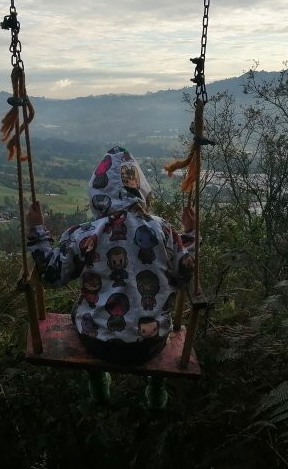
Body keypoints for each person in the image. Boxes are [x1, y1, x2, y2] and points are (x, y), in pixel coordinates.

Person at [25, 146, 196, 410]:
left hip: (98, 342)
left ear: (97, 193)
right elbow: (185, 272)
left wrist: (37, 229)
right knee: (156, 311)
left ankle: (98, 386)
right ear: (139, 188)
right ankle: (156, 388)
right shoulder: (163, 230)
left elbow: (52, 275)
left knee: (79, 310)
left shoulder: (84, 234)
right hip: (150, 343)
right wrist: (191, 234)